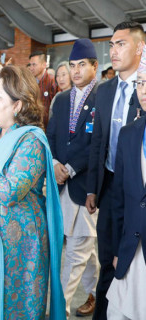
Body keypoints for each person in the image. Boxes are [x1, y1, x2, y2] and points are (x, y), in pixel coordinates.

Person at [0, 64, 65, 319]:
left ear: (17, 106)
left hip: (18, 249)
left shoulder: (32, 141)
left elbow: (9, 191)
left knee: (13, 308)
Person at [85, 21, 145, 320]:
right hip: (109, 185)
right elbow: (98, 141)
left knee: (134, 259)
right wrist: (93, 187)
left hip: (140, 190)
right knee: (107, 258)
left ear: (140, 48)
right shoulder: (105, 91)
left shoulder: (145, 89)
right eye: (111, 44)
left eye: (121, 43)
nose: (114, 50)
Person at [47, 39, 100, 318]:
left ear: (95, 66)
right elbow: (52, 134)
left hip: (88, 185)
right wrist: (55, 163)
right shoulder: (62, 98)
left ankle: (59, 308)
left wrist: (70, 167)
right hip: (61, 184)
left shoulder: (103, 97)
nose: (76, 71)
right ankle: (99, 292)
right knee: (84, 244)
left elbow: (99, 145)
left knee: (78, 246)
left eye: (82, 65)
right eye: (72, 65)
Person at [107, 45, 146, 320]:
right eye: (141, 82)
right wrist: (118, 249)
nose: (143, 89)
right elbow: (119, 198)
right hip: (131, 252)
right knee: (116, 312)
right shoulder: (129, 134)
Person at [29, 51, 58, 128]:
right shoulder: (30, 82)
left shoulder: (52, 81)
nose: (31, 68)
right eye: (30, 65)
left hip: (48, 126)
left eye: (34, 64)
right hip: (33, 125)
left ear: (44, 65)